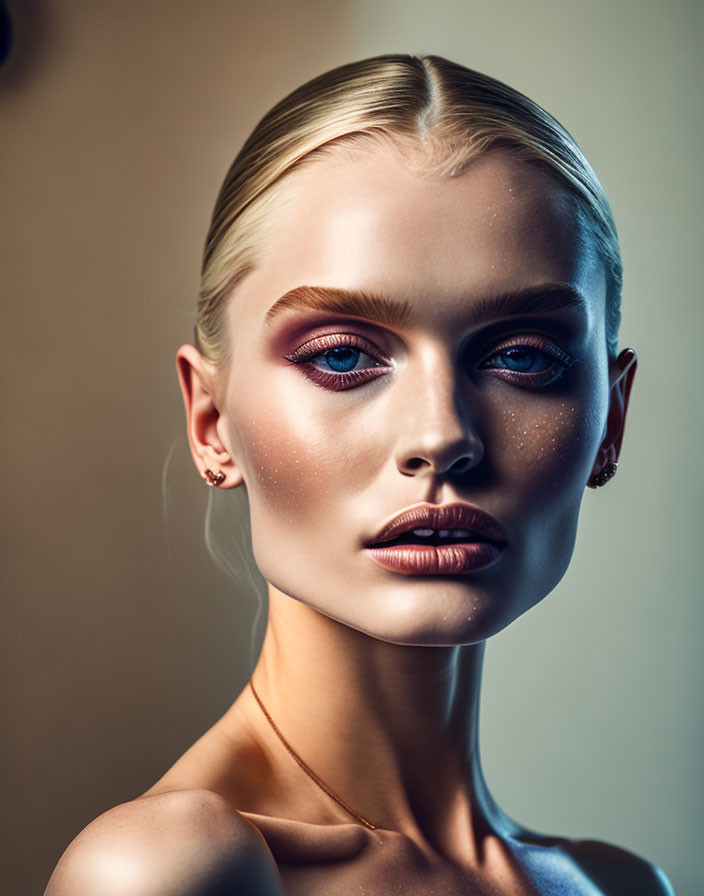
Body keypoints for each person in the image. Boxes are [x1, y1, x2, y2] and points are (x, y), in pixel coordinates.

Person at [45, 54, 674, 895]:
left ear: (613, 419)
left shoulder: (620, 885)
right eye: (342, 356)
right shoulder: (171, 871)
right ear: (210, 420)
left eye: (521, 356)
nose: (442, 435)